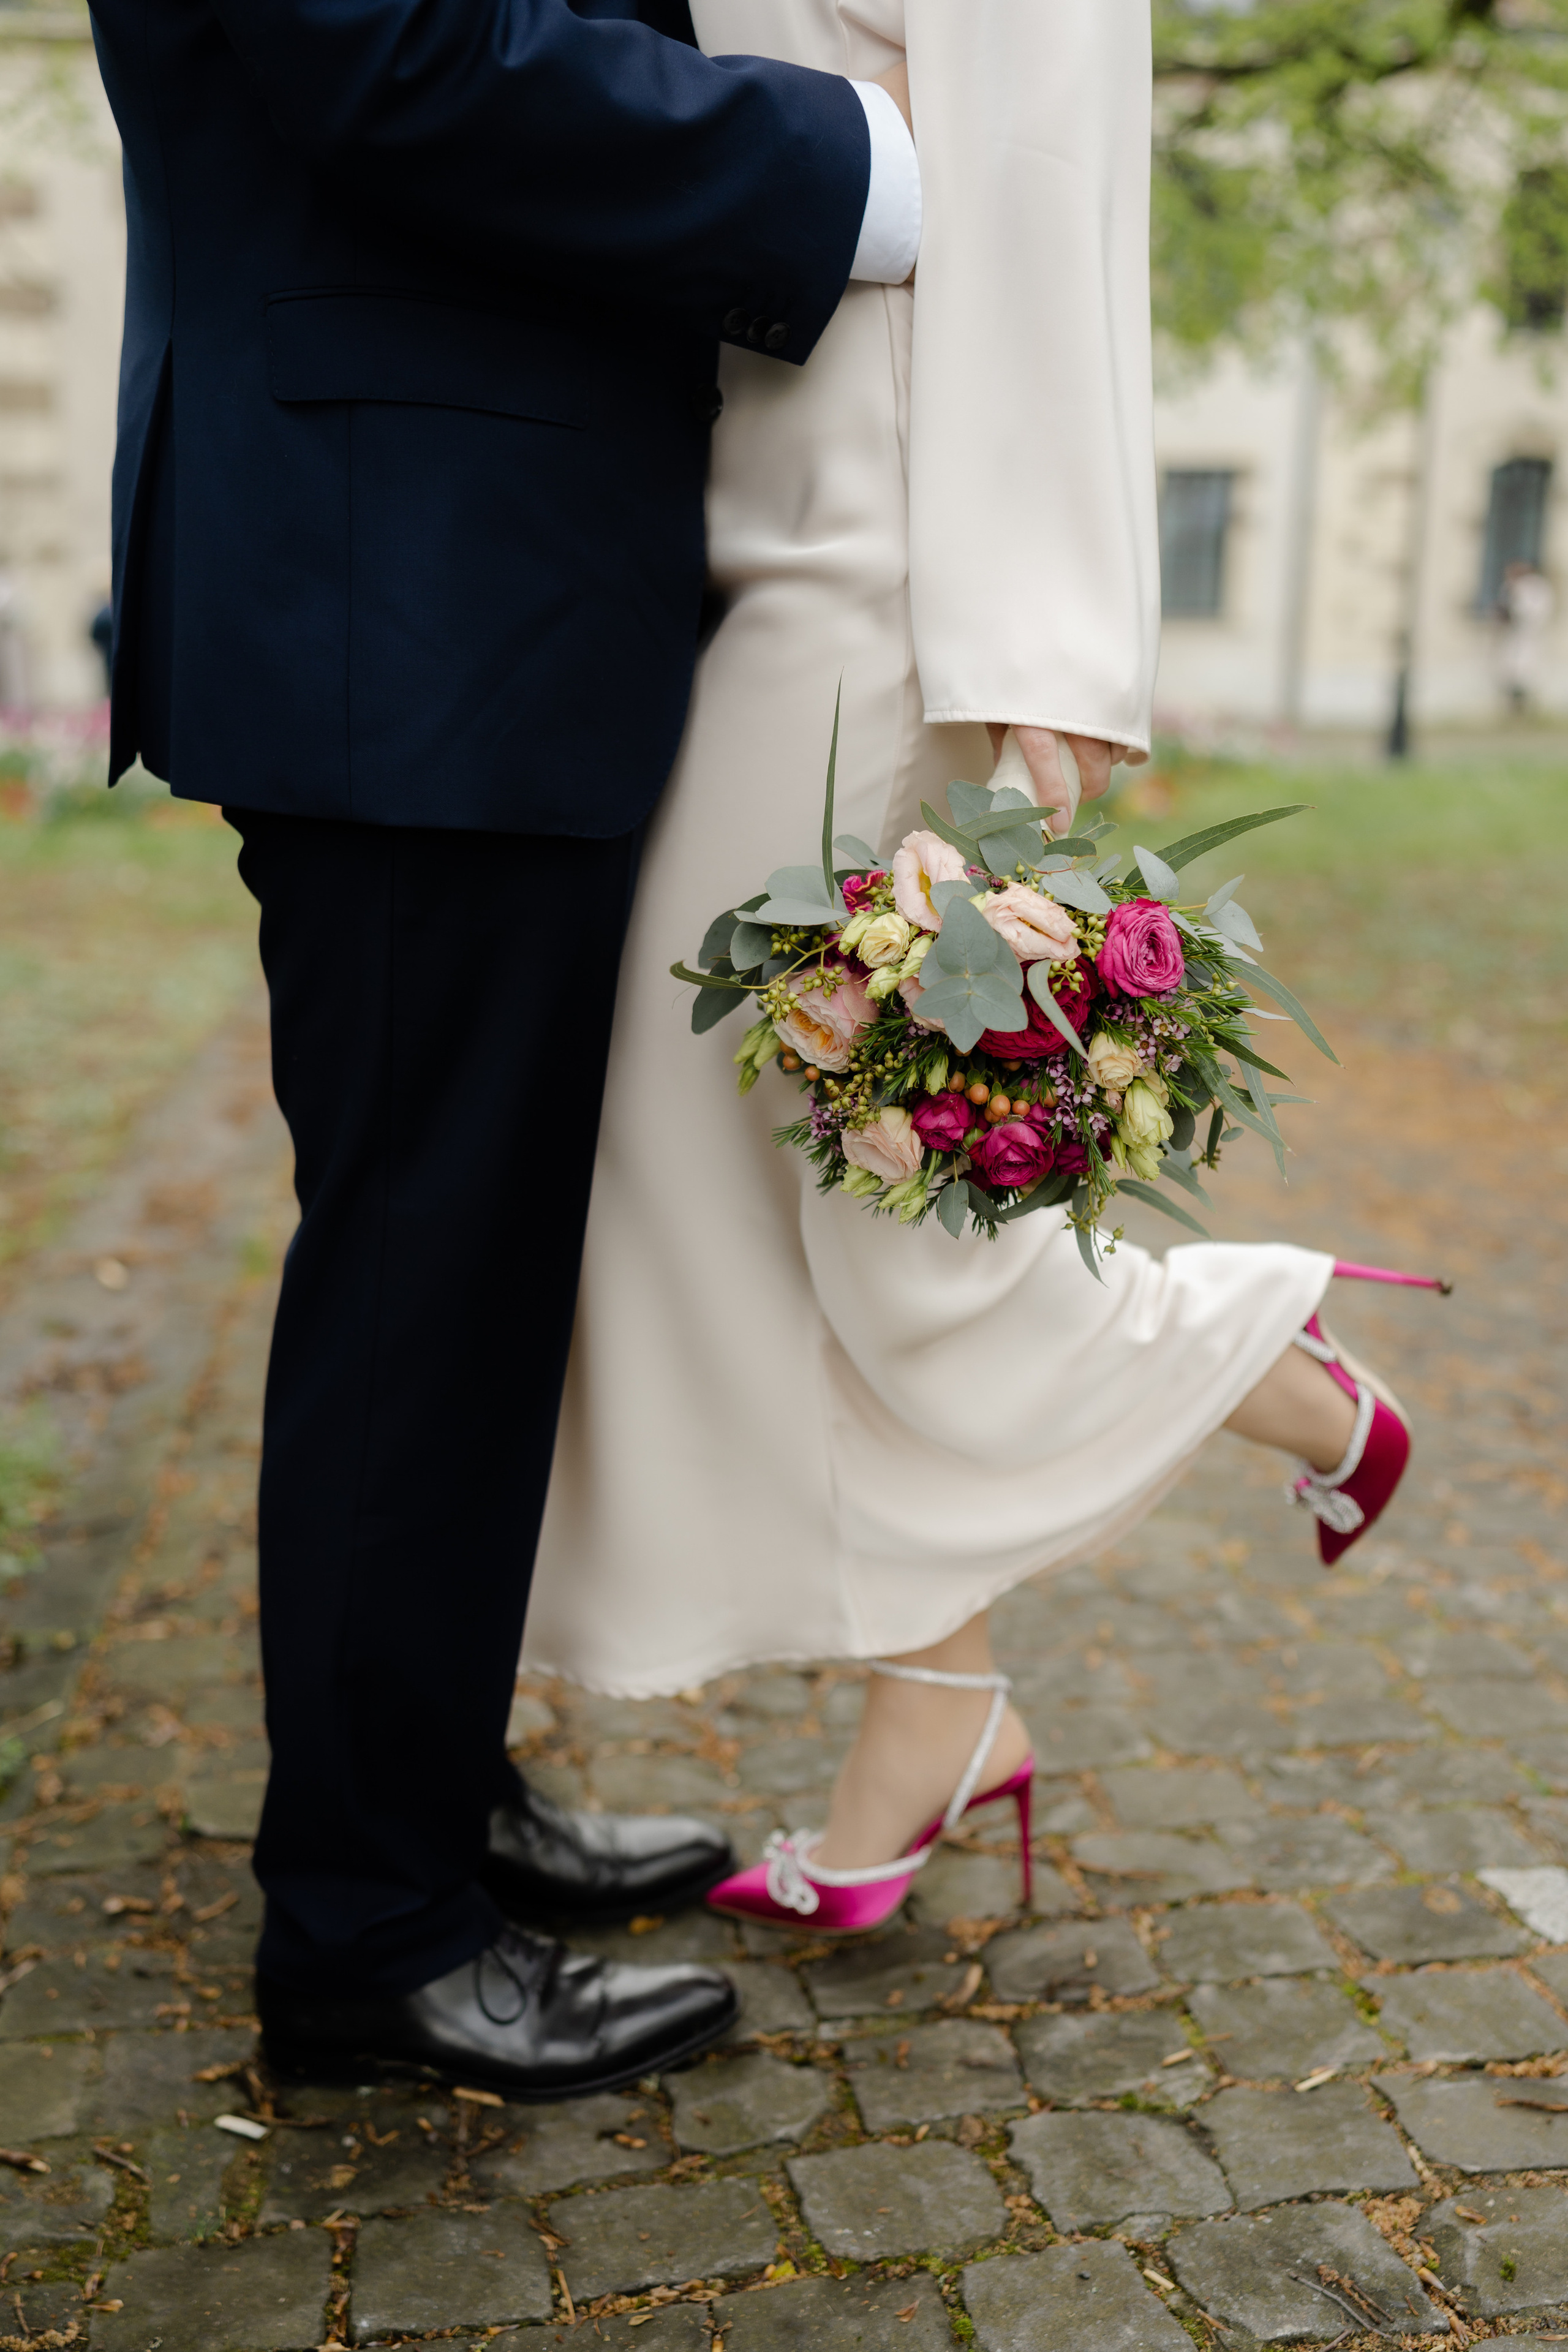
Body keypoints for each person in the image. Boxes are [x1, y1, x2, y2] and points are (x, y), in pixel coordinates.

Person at [87, 0, 926, 2092]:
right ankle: (368, 1928)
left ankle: (422, 1799)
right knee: (422, 1286)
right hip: (410, 577)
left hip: (442, 566)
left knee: (457, 1277)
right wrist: (849, 158)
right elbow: (395, 50)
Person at [525, 0, 1423, 1932]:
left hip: (885, 572)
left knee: (773, 1146)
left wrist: (1038, 673)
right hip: (755, 514)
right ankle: (936, 1708)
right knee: (793, 1177)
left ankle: (1258, 1360)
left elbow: (1040, 165)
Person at [1497, 558, 1555, 717]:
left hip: (1530, 637)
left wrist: (1515, 615)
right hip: (1513, 637)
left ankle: (1526, 707)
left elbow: (1531, 612)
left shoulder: (1535, 587)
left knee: (1527, 671)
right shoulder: (1511, 586)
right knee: (1511, 671)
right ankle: (1514, 708)